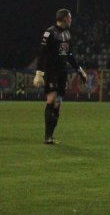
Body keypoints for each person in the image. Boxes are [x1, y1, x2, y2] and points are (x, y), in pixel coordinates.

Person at [34, 9, 87, 144]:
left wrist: (79, 70)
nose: (71, 20)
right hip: (51, 71)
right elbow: (42, 53)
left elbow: (69, 55)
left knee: (58, 104)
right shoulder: (50, 32)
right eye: (69, 18)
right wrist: (39, 74)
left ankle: (51, 136)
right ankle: (47, 136)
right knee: (51, 100)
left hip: (62, 72)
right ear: (64, 18)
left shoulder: (67, 34)